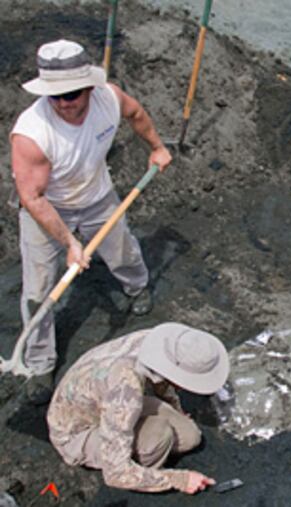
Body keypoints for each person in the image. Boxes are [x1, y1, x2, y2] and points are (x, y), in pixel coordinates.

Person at [10, 40, 172, 402]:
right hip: (47, 210)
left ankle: (137, 286)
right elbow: (32, 197)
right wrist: (70, 242)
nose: (65, 103)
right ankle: (38, 362)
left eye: (72, 94)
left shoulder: (108, 98)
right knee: (39, 291)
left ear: (88, 86)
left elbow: (136, 114)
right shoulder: (32, 133)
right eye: (56, 97)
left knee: (124, 250)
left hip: (97, 197)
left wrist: (157, 148)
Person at [47, 323, 229, 494]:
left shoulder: (162, 344)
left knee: (190, 436)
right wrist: (178, 479)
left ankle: (143, 452)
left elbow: (162, 381)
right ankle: (145, 469)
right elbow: (116, 473)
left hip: (103, 401)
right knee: (160, 436)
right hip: (77, 432)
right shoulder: (126, 388)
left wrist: (175, 407)